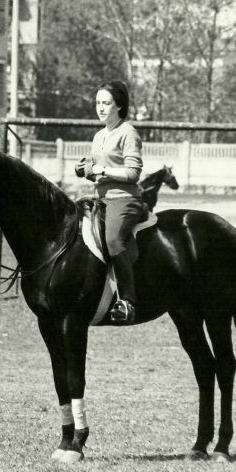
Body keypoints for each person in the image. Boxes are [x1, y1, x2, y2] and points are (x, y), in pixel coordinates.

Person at [75, 80, 144, 324]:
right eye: (98, 103)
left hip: (125, 200)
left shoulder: (128, 133)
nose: (101, 108)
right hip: (101, 198)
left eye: (107, 103)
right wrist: (86, 169)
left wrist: (101, 169)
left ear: (119, 106)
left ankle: (127, 301)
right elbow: (97, 171)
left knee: (113, 240)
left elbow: (133, 174)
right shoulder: (99, 136)